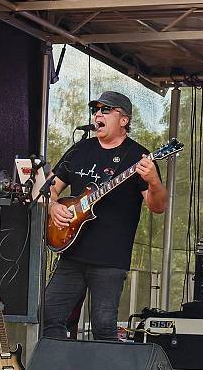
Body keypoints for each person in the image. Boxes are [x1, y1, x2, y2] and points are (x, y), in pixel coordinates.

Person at [42, 91, 168, 340]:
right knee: (49, 314)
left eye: (105, 110)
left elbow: (158, 206)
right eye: (96, 110)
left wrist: (153, 181)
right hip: (71, 252)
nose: (98, 114)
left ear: (124, 120)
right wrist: (53, 207)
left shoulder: (138, 157)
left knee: (103, 325)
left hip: (110, 258)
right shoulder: (80, 149)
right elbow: (49, 189)